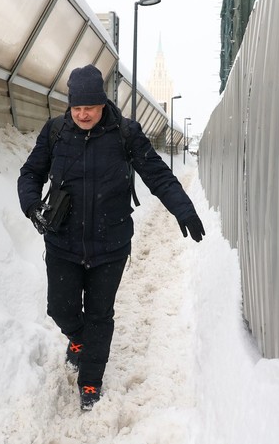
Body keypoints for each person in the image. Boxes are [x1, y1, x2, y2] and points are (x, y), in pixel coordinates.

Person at [17, 64, 205, 411]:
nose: (83, 114)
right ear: (69, 105)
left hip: (111, 245)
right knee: (60, 309)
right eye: (77, 107)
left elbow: (158, 175)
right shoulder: (55, 132)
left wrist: (184, 209)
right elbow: (30, 173)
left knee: (100, 315)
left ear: (103, 102)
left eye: (90, 106)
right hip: (62, 243)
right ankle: (78, 339)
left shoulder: (125, 133)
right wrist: (32, 207)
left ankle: (90, 382)